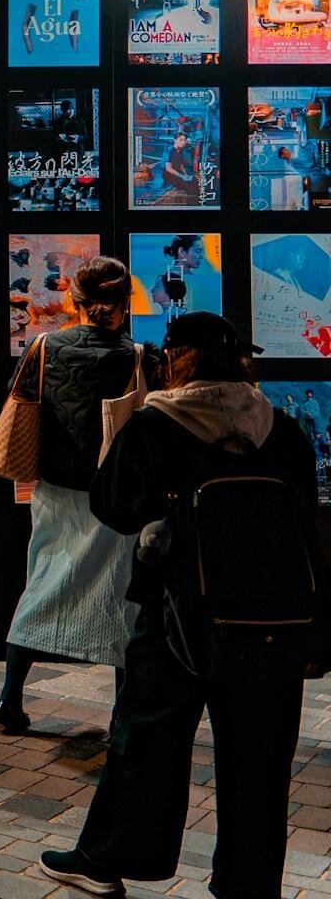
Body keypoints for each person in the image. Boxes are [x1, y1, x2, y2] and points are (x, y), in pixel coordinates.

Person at [41, 312, 320, 899]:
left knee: (147, 740)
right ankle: (249, 881)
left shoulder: (156, 424)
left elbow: (112, 507)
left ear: (175, 358)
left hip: (176, 615)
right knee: (261, 757)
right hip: (269, 622)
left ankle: (107, 858)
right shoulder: (282, 429)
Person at [0, 256, 160, 734]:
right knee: (121, 599)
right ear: (124, 305)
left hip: (54, 489)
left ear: (75, 301)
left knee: (43, 583)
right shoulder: (138, 356)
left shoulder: (45, 347)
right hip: (116, 496)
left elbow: (20, 401)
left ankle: (10, 697)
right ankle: (120, 712)